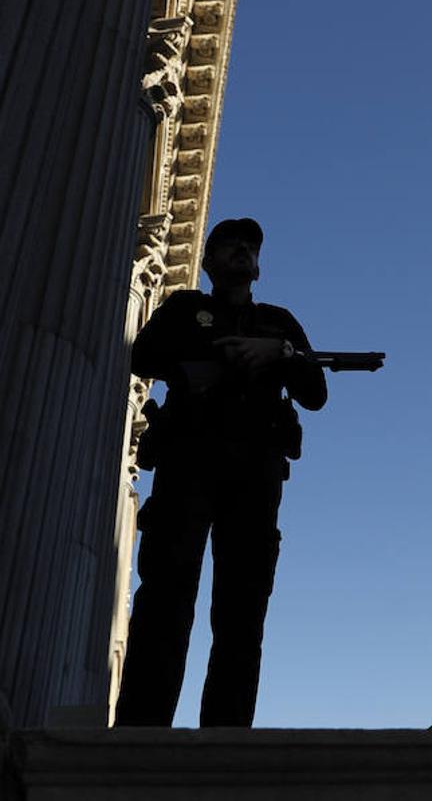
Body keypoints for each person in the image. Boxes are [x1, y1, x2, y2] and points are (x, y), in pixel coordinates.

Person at [115, 218, 327, 727]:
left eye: (250, 246)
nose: (242, 251)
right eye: (230, 244)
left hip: (254, 477)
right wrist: (213, 358)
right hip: (188, 465)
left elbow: (315, 393)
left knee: (242, 613)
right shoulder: (186, 310)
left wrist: (277, 352)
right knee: (166, 598)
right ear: (209, 262)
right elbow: (142, 355)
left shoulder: (279, 323)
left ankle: (226, 739)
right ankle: (141, 733)